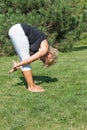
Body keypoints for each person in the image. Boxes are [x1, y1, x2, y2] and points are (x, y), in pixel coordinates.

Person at [8, 23, 58, 92]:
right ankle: (31, 87)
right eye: (44, 61)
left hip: (15, 30)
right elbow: (28, 60)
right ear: (49, 55)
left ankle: (32, 85)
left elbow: (27, 60)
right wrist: (18, 64)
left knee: (25, 60)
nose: (40, 60)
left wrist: (18, 65)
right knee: (26, 61)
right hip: (19, 30)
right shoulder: (45, 49)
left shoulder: (41, 47)